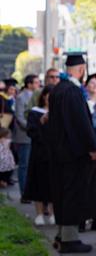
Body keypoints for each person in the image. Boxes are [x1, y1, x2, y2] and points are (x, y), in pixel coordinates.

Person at [47, 52, 96, 253]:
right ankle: (69, 240)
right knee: (71, 194)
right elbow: (80, 123)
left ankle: (62, 235)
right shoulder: (73, 92)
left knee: (62, 193)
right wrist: (92, 147)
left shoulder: (59, 89)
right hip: (73, 155)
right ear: (81, 69)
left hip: (60, 153)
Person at [24, 85, 55, 226]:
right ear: (43, 96)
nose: (49, 98)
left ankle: (53, 212)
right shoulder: (35, 113)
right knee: (38, 184)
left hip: (55, 154)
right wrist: (41, 123)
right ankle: (40, 214)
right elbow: (31, 132)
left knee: (53, 184)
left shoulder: (59, 113)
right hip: (39, 154)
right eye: (47, 95)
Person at [13, 74, 40, 203]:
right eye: (36, 82)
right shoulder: (21, 97)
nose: (38, 85)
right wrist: (32, 127)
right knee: (24, 165)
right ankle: (24, 193)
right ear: (29, 84)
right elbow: (19, 116)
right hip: (24, 136)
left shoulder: (37, 96)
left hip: (34, 136)